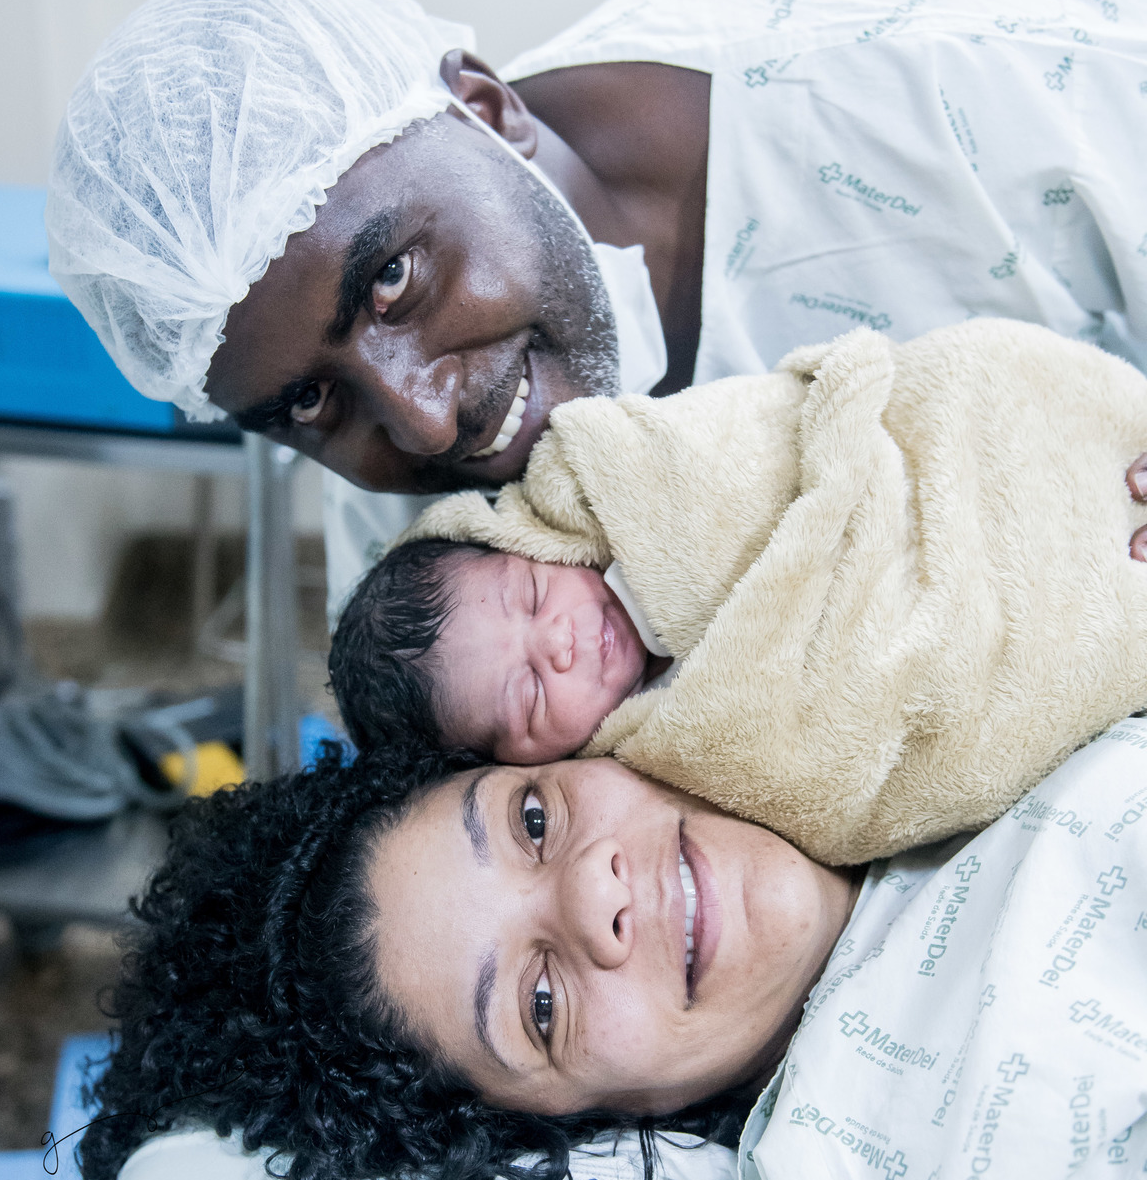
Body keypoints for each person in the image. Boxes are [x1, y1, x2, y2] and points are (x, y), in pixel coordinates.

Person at [45, 0, 1147, 613]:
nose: (424, 422)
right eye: (305, 404)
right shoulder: (426, 540)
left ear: (485, 111)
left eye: (391, 281)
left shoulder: (961, 63)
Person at [74, 718, 1147, 1180]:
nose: (594, 894)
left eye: (533, 820)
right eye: (539, 1006)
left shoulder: (917, 669)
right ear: (590, 1123)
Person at [330, 319, 1147, 864]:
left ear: (521, 543)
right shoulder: (675, 755)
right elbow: (828, 772)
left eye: (533, 598)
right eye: (533, 691)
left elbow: (766, 434)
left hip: (955, 453)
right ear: (527, 765)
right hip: (976, 635)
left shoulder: (624, 483)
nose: (563, 641)